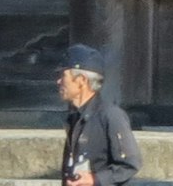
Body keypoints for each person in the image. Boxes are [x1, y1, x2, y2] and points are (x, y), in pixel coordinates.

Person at [58, 49, 136, 186]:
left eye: (63, 76)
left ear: (81, 80)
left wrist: (95, 179)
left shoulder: (111, 115)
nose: (58, 81)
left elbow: (129, 165)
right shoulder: (74, 119)